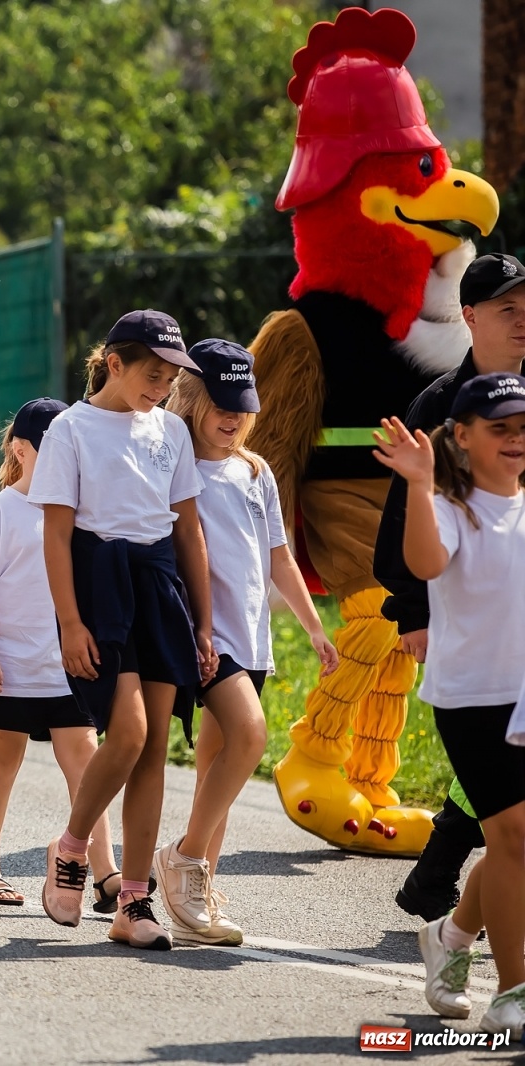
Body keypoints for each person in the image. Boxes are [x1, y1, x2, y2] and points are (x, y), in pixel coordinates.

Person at [28, 310, 215, 951]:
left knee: (155, 747)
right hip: (99, 583)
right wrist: (71, 621)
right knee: (128, 731)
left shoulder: (170, 432)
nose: (161, 388)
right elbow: (55, 534)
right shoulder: (69, 430)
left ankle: (134, 901)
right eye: (152, 373)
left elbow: (188, 529)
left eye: (170, 378)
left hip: (160, 581)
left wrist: (205, 623)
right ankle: (73, 846)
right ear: (114, 363)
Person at [155, 340, 338, 945]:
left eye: (241, 405)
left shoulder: (254, 472)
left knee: (217, 769)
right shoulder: (173, 465)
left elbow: (279, 557)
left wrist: (314, 629)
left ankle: (196, 897)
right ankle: (182, 858)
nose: (231, 417)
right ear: (192, 397)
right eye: (219, 403)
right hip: (201, 632)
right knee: (251, 735)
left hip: (252, 636)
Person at [373, 374, 525, 1034]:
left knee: (516, 843)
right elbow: (426, 564)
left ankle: (452, 937)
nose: (516, 440)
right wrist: (416, 483)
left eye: (524, 428)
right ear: (461, 437)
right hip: (472, 701)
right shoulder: (452, 510)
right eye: (501, 428)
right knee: (516, 836)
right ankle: (514, 991)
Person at [376, 254, 525, 921]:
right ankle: (447, 890)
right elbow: (400, 534)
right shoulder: (440, 409)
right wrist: (413, 614)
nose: (522, 323)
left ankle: (439, 884)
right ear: (469, 317)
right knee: (500, 772)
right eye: (506, 310)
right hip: (464, 628)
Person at [0, 398, 122, 911]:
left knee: (87, 765)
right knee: (2, 763)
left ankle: (106, 875)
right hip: (10, 670)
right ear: (19, 449)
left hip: (71, 669)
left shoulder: (83, 512)